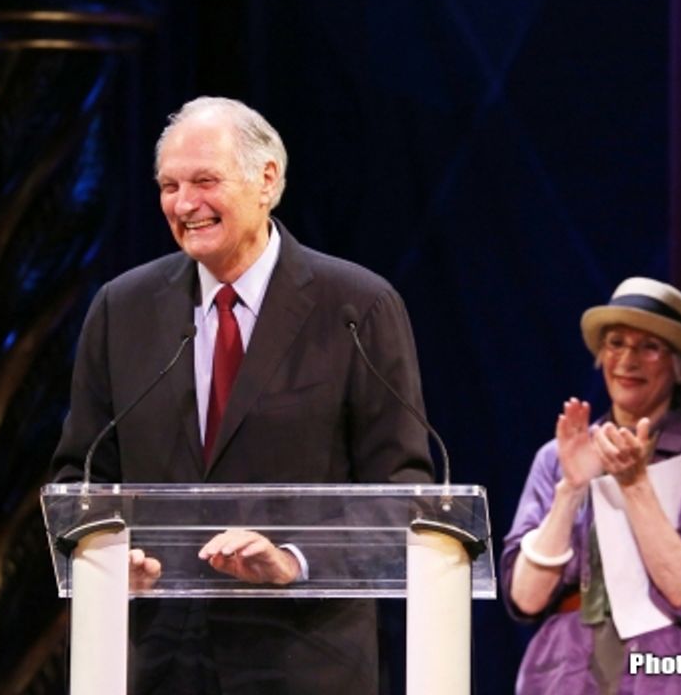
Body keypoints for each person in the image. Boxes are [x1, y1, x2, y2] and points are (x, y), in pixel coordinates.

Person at [51, 96, 434, 694]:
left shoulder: (357, 307)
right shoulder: (120, 309)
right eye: (169, 186)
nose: (184, 205)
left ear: (268, 180)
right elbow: (82, 473)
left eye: (205, 181)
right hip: (155, 659)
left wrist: (292, 558)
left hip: (303, 658)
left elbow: (402, 491)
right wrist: (107, 551)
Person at [501, 277, 681, 694]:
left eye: (649, 347)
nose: (627, 360)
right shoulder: (556, 456)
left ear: (679, 366)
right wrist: (571, 489)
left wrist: (634, 483)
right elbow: (525, 598)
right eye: (616, 343)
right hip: (565, 670)